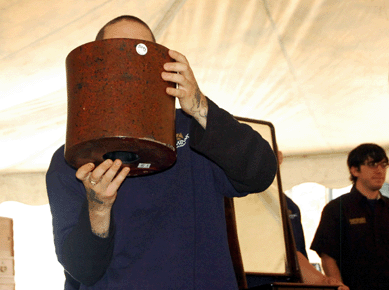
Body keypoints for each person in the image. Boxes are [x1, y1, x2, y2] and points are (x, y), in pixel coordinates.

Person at [46, 15, 277, 290]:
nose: (129, 64)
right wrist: (98, 208)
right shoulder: (71, 160)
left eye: (140, 53)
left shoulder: (194, 129)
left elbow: (260, 173)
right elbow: (82, 271)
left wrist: (200, 106)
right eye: (116, 53)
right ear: (96, 67)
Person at [311, 143, 389, 290]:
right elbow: (328, 256)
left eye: (383, 165)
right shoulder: (337, 209)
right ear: (354, 170)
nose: (380, 170)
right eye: (372, 164)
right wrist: (339, 285)